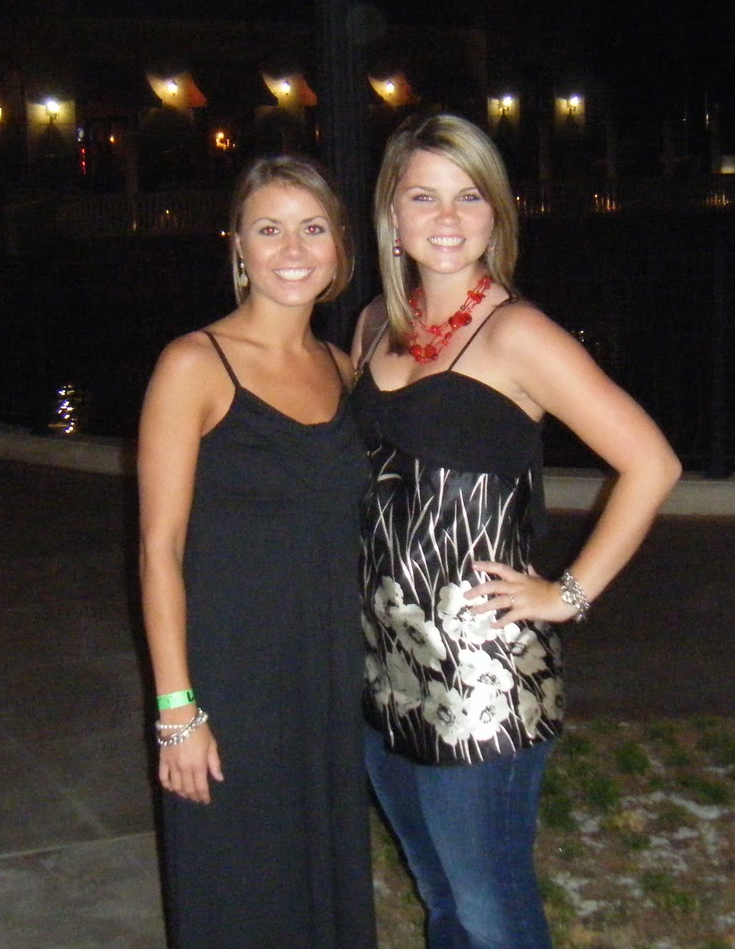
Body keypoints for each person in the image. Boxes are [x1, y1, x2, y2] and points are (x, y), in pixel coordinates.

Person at [352, 113, 683, 949]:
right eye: (423, 196)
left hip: (480, 675)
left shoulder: (517, 333)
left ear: (497, 213)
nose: (447, 217)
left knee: (489, 905)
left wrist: (568, 594)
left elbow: (652, 463)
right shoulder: (374, 325)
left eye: (469, 196)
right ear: (391, 214)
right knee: (437, 892)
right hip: (382, 665)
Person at [138, 153, 377, 949]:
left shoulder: (341, 368)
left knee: (321, 876)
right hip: (233, 676)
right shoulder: (193, 364)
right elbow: (159, 549)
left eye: (313, 228)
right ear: (237, 245)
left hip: (329, 670)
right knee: (241, 883)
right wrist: (178, 711)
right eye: (268, 230)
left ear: (340, 246)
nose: (293, 249)